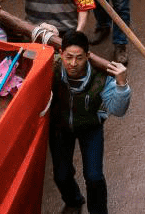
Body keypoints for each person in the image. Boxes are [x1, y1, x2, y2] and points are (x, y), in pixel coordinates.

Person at [49, 30, 130, 214]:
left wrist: (122, 85)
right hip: (60, 127)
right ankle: (73, 201)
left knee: (94, 177)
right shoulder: (51, 67)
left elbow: (119, 110)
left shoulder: (102, 76)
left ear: (88, 56)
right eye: (68, 57)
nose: (73, 63)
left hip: (91, 127)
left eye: (79, 58)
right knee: (61, 175)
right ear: (60, 53)